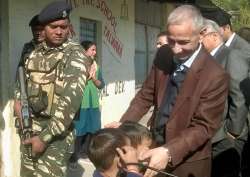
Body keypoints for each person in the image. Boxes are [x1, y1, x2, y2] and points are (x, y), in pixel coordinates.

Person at [107, 5, 229, 177]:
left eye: (184, 42)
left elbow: (203, 127)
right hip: (153, 147)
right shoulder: (164, 53)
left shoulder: (215, 75)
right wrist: (124, 127)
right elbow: (145, 95)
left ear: (201, 34)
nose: (176, 49)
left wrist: (169, 151)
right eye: (171, 40)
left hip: (187, 160)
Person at [13, 1, 90, 177]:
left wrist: (44, 138)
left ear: (69, 27)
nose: (59, 31)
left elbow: (69, 105)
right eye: (53, 27)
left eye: (64, 27)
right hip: (29, 127)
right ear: (44, 27)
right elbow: (21, 82)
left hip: (55, 136)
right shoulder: (33, 51)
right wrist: (18, 103)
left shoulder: (75, 54)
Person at [201, 19, 249, 177]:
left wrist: (232, 131)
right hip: (212, 133)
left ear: (214, 36)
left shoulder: (231, 55)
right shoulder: (206, 58)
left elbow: (239, 96)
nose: (198, 39)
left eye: (202, 34)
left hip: (225, 136)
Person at [69, 40, 105, 166]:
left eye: (95, 50)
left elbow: (101, 85)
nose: (95, 52)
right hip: (81, 103)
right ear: (84, 51)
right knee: (79, 128)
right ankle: (75, 155)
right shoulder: (76, 66)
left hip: (93, 102)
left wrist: (94, 78)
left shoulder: (96, 66)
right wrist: (85, 76)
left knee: (93, 128)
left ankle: (86, 152)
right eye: (92, 50)